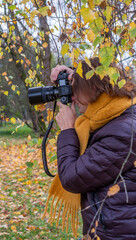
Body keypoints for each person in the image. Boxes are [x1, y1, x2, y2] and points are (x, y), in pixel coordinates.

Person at [43, 58, 136, 239]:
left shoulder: (122, 132)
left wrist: (68, 131)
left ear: (94, 87)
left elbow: (72, 178)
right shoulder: (112, 117)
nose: (73, 96)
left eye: (77, 88)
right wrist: (72, 73)